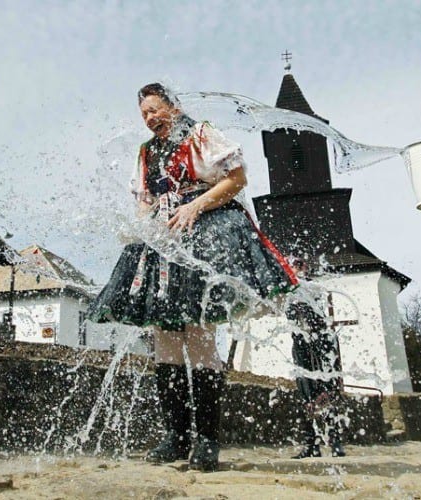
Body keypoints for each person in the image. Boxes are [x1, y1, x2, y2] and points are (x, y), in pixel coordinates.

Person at [90, 83, 298, 472]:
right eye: (144, 114)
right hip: (164, 241)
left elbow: (236, 180)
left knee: (199, 335)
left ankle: (206, 440)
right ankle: (176, 435)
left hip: (205, 234)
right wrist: (142, 229)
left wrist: (196, 207)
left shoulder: (200, 133)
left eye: (154, 109)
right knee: (165, 339)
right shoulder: (146, 152)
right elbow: (143, 201)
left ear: (172, 105)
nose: (150, 118)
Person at [285, 258, 345, 459]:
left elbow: (314, 312)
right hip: (300, 345)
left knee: (325, 393)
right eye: (293, 264)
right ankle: (311, 444)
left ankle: (335, 442)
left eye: (298, 264)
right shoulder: (287, 289)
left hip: (318, 344)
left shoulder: (312, 286)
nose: (296, 267)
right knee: (305, 395)